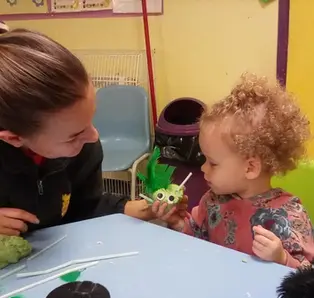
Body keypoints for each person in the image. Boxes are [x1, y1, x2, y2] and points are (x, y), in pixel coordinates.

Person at [0, 28, 187, 236]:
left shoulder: (85, 148)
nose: (93, 136)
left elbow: (86, 206)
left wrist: (148, 208)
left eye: (91, 118)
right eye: (73, 135)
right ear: (15, 138)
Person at [155, 73, 314, 268]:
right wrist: (177, 222)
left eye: (212, 163)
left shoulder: (290, 215)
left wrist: (282, 259)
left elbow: (307, 277)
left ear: (250, 167)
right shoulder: (212, 201)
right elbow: (197, 237)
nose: (203, 168)